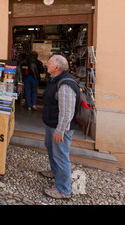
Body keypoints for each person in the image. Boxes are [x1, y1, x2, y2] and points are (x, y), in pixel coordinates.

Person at [40, 54, 80, 200]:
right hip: (51, 123)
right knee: (50, 147)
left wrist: (60, 130)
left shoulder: (65, 84)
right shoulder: (55, 80)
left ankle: (63, 189)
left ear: (57, 67)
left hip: (60, 127)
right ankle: (55, 171)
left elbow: (67, 111)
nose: (46, 64)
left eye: (49, 62)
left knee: (61, 155)